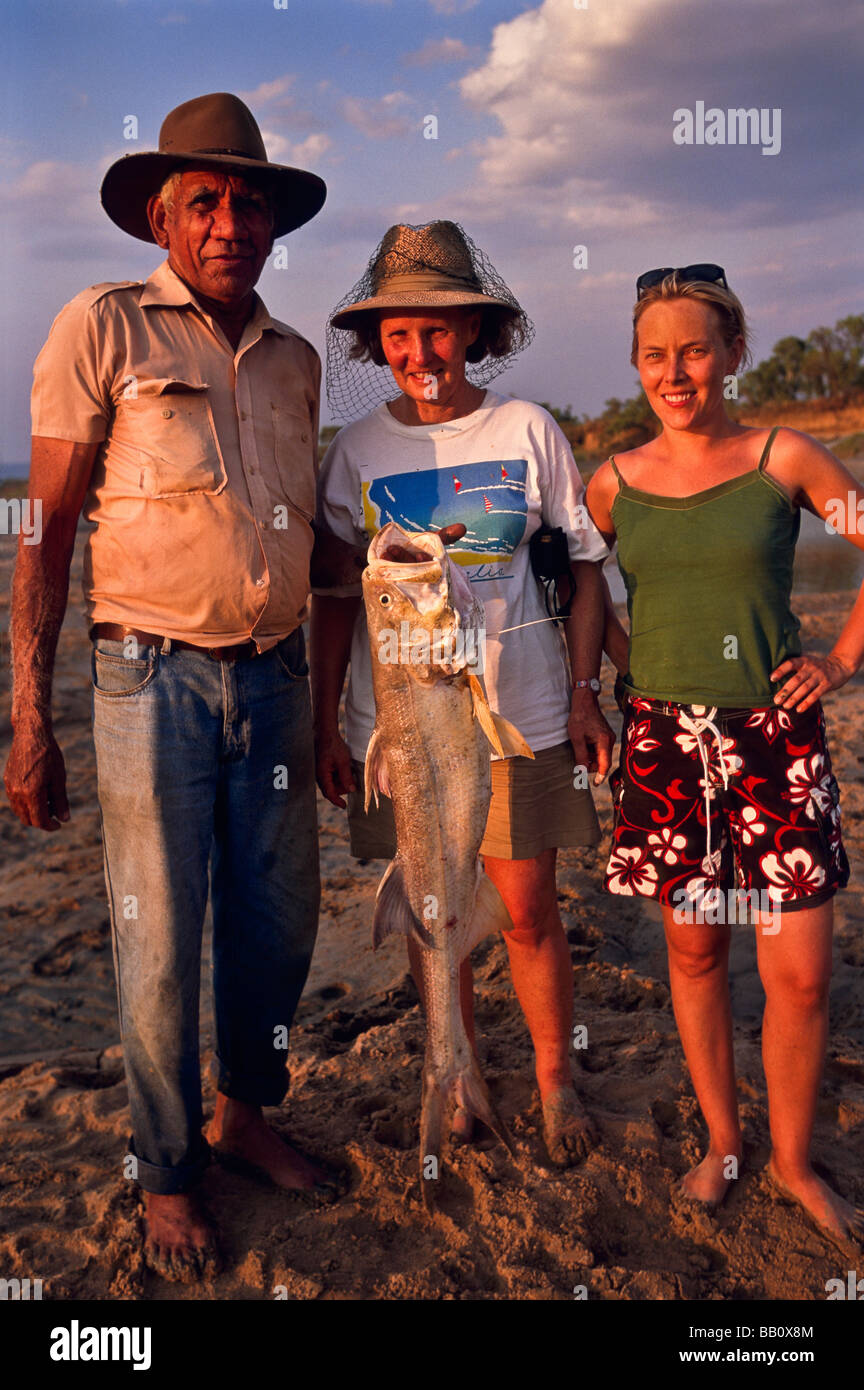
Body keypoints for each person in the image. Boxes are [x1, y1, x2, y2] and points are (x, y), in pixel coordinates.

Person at [3, 92, 338, 1283]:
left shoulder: (300, 362)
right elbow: (41, 531)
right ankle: (165, 1168)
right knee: (156, 939)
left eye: (250, 200)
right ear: (162, 214)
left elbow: (329, 547)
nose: (231, 220)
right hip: (148, 681)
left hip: (282, 679)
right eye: (206, 199)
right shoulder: (104, 328)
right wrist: (29, 714)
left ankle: (246, 1110)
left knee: (280, 918)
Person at [312, 220, 615, 1167]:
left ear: (476, 331)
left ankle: (559, 1077)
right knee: (433, 908)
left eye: (439, 330)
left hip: (519, 715)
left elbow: (588, 570)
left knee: (527, 909)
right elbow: (331, 596)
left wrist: (582, 693)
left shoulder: (525, 429)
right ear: (376, 345)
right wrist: (325, 719)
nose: (420, 352)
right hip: (400, 727)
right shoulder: (355, 450)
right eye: (399, 335)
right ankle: (461, 1070)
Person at [587, 263, 864, 1249]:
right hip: (670, 748)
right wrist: (616, 677)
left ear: (732, 353)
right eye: (656, 353)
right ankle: (724, 1142)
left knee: (798, 975)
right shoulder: (613, 482)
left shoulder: (786, 456)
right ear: (637, 362)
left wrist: (836, 658)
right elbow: (584, 590)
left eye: (696, 348)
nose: (676, 370)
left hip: (774, 744)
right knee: (699, 949)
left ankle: (792, 1160)